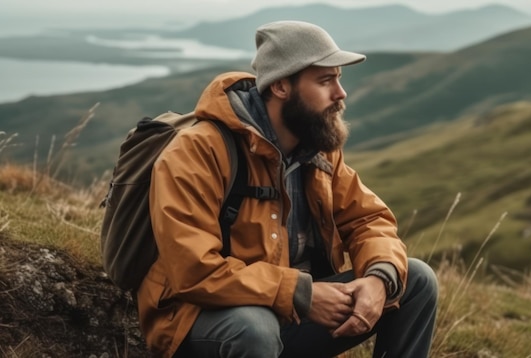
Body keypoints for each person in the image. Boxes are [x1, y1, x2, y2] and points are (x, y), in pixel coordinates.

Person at [137, 20, 438, 358]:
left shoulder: (318, 150)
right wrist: (300, 293)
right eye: (326, 80)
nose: (340, 94)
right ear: (281, 87)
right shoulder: (199, 151)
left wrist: (379, 278)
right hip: (199, 320)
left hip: (292, 312)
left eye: (338, 78)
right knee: (254, 327)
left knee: (417, 281)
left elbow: (369, 221)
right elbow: (192, 271)